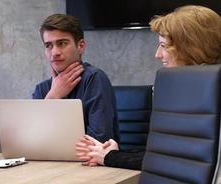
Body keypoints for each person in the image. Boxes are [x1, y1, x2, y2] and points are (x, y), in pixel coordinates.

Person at [76, 5, 221, 170]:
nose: (157, 54)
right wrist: (115, 154)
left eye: (164, 46)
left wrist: (109, 157)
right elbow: (163, 154)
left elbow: (171, 162)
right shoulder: (197, 94)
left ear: (191, 49)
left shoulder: (204, 101)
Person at [32, 14, 118, 143]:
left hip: (90, 163)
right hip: (51, 162)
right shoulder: (42, 89)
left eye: (62, 43)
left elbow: (99, 141)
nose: (54, 52)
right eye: (48, 45)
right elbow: (31, 141)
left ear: (81, 46)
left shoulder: (95, 79)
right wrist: (53, 97)